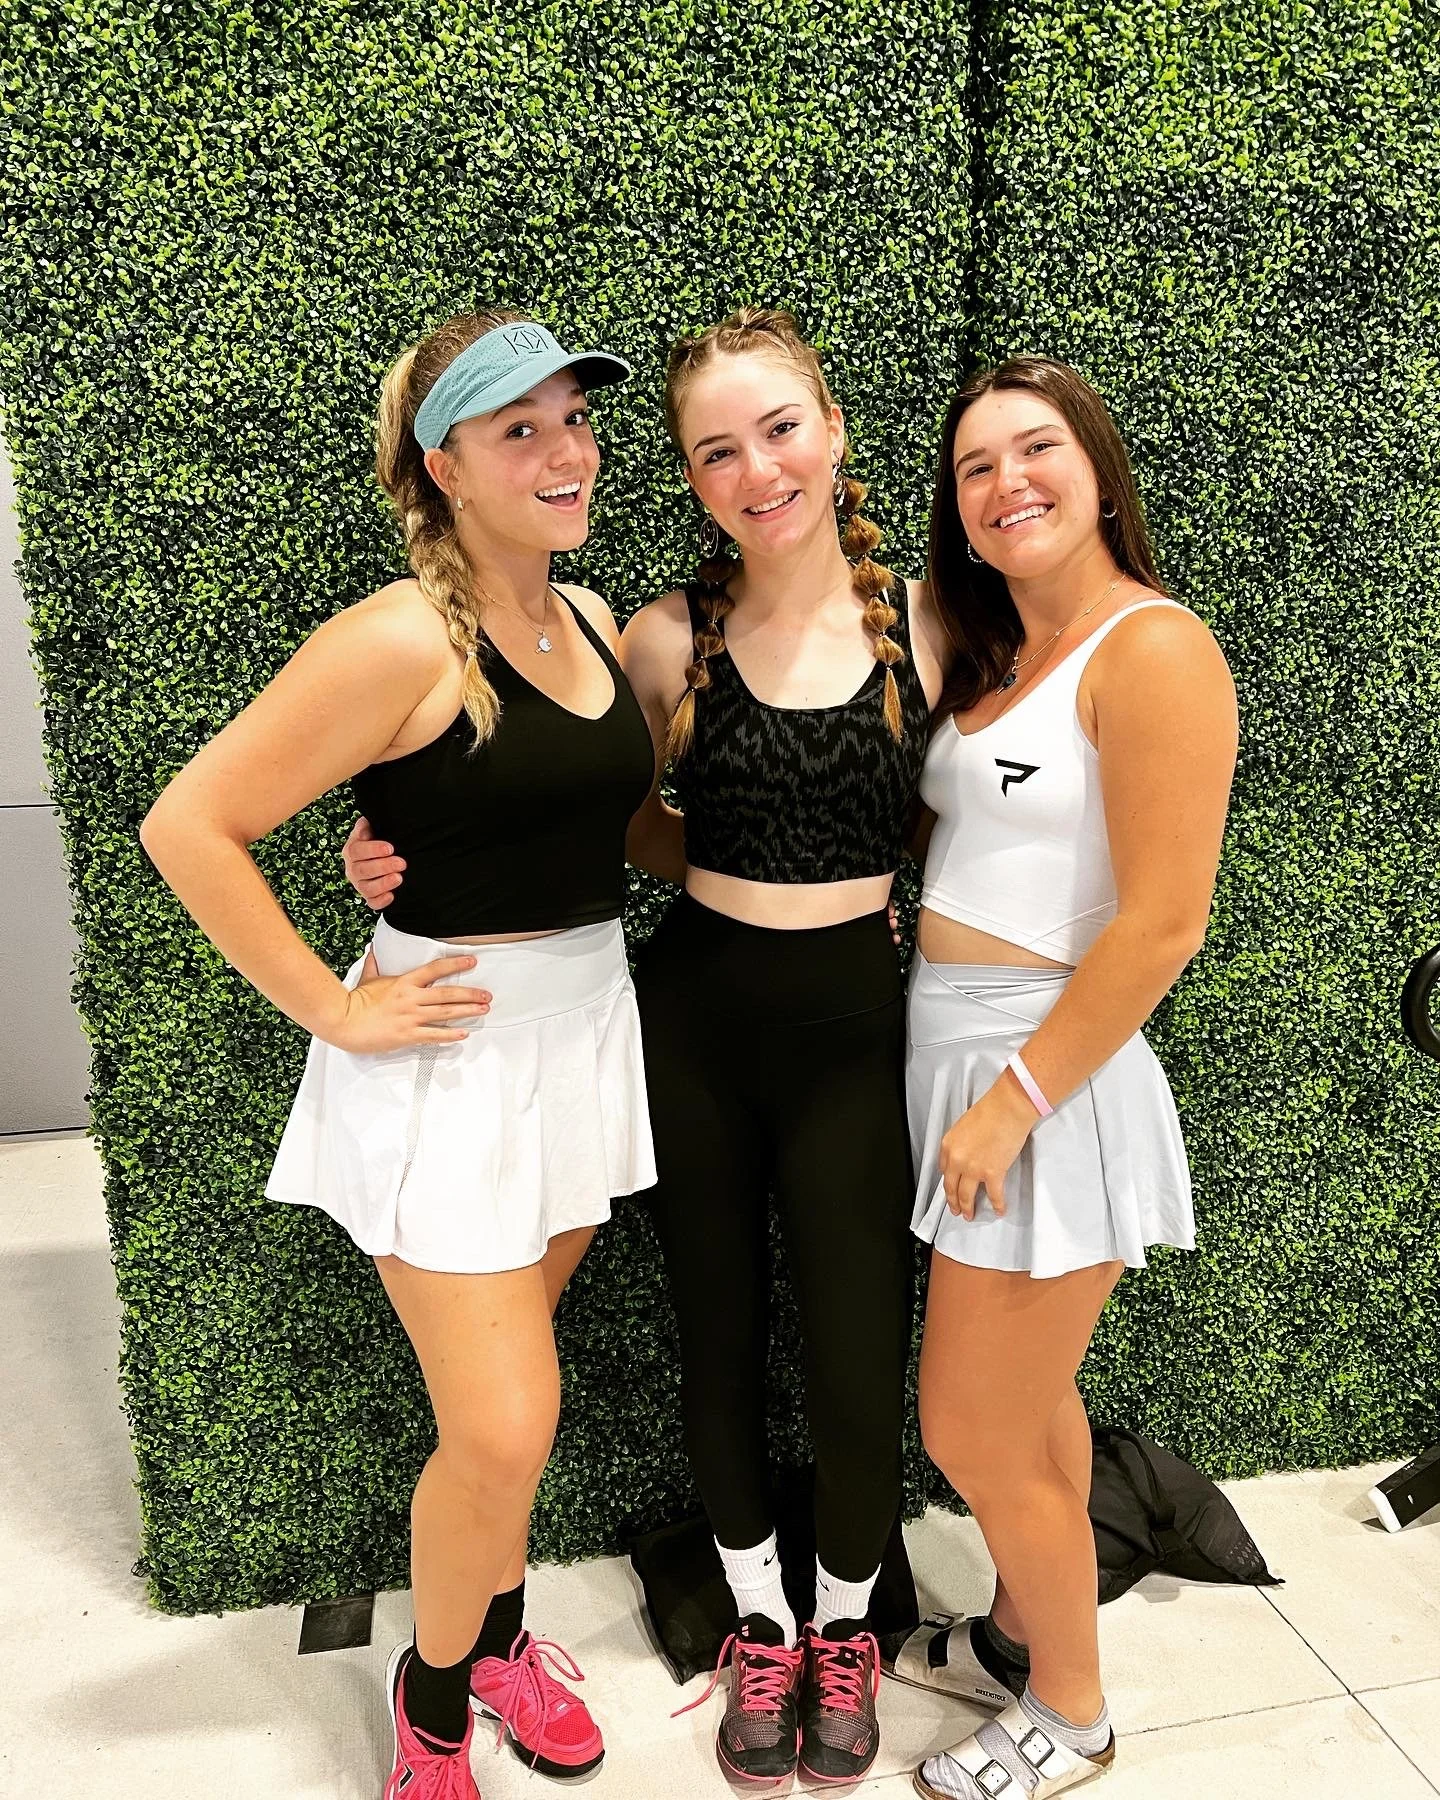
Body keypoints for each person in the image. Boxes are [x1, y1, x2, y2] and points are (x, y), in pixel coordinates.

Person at [347, 306, 952, 1785]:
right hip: (688, 1023)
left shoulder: (932, 625)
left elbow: (997, 803)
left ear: (832, 429)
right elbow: (587, 807)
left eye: (781, 429)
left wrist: (857, 894)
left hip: (854, 1029)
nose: (758, 469)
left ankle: (848, 1627)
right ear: (689, 476)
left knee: (862, 1354)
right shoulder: (664, 634)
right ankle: (760, 1626)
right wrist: (389, 853)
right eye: (716, 450)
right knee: (715, 1337)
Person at [141, 309, 659, 1800]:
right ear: (446, 466)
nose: (566, 452)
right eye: (520, 430)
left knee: (510, 1422)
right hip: (454, 1062)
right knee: (503, 1427)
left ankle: (493, 1638)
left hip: (581, 1042)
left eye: (575, 418)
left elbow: (554, 815)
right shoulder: (397, 637)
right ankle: (433, 1711)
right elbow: (191, 826)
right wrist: (334, 1003)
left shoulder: (590, 616)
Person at [888, 359, 1237, 1800]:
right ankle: (1020, 1634)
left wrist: (1011, 1102)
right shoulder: (998, 656)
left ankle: (1074, 1716)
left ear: (1097, 471)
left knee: (970, 1427)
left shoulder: (1154, 649)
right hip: (958, 1059)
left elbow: (1164, 924)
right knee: (1030, 1412)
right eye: (975, 467)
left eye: (1036, 450)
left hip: (1044, 1083)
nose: (1007, 483)